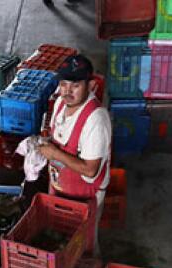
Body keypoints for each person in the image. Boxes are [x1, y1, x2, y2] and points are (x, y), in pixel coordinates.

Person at [36, 54, 112, 257]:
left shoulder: (96, 120)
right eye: (63, 84)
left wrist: (54, 153)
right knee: (60, 239)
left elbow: (90, 168)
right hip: (60, 186)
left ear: (91, 85)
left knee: (84, 246)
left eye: (75, 85)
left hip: (85, 195)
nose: (67, 91)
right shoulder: (61, 103)